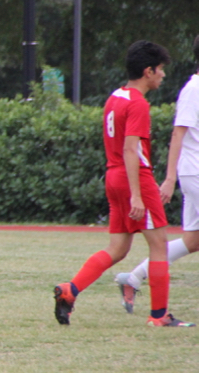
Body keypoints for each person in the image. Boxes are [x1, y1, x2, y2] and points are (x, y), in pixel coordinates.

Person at [53, 40, 192, 327]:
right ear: (148, 71)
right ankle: (159, 316)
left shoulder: (115, 96)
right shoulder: (139, 104)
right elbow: (131, 149)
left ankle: (70, 290)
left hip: (113, 175)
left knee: (118, 248)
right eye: (160, 70)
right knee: (159, 245)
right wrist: (138, 196)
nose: (163, 75)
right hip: (134, 178)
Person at [115, 34, 199, 313]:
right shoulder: (194, 88)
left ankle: (134, 277)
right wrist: (170, 178)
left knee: (192, 240)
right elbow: (178, 133)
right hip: (195, 172)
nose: (162, 73)